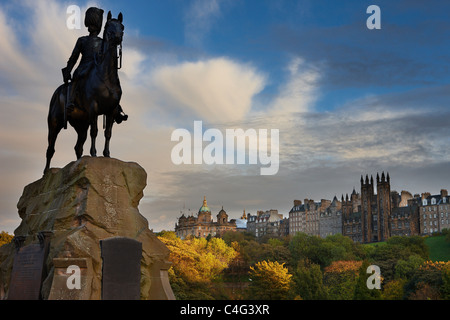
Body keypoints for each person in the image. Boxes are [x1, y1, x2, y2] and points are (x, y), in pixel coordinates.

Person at [62, 7, 104, 111]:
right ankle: (70, 101)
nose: (90, 27)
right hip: (83, 67)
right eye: (90, 24)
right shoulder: (82, 40)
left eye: (93, 24)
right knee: (75, 79)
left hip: (97, 69)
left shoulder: (103, 42)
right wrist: (68, 70)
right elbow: (74, 57)